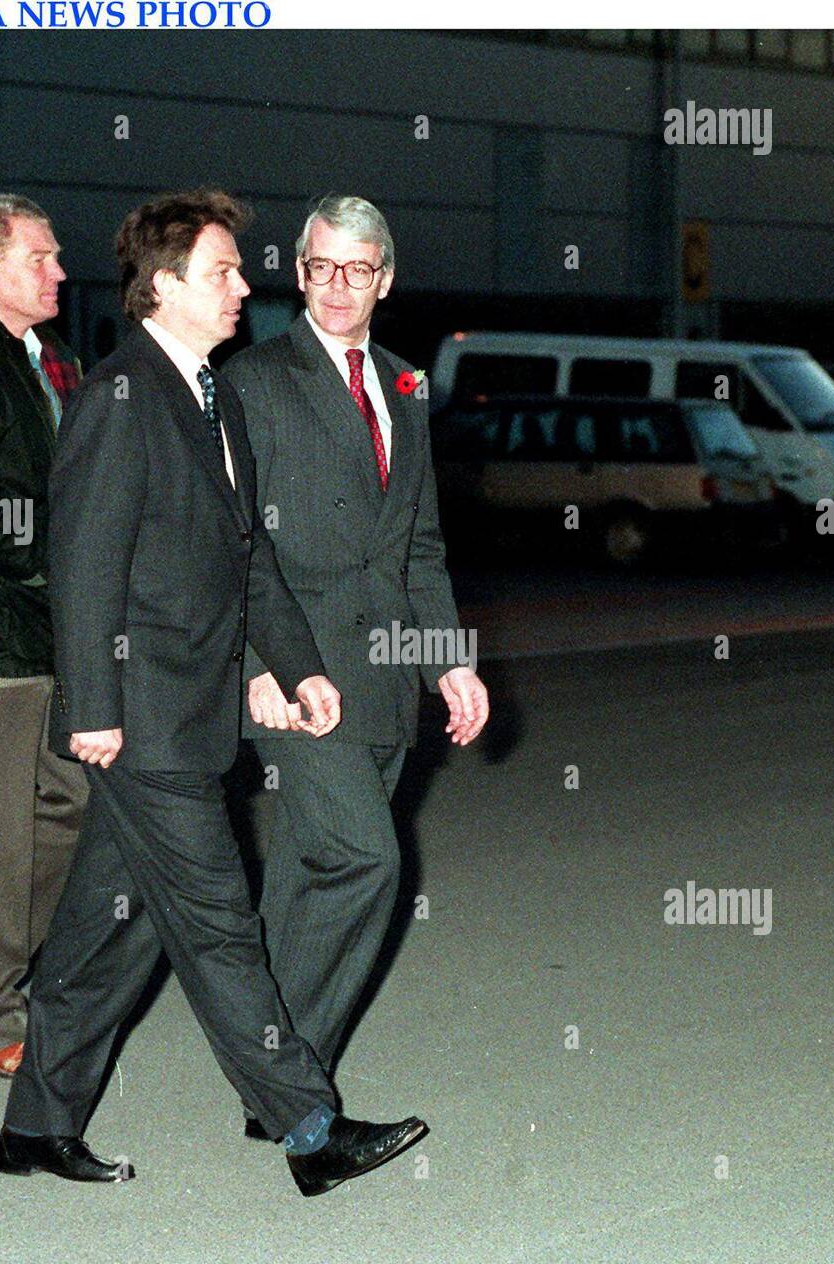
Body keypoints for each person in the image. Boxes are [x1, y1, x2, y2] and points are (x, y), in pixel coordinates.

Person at [0, 190, 425, 1197]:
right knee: (224, 924)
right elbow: (86, 561)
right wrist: (92, 705)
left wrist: (301, 664)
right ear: (165, 286)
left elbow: (251, 554)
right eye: (225, 272)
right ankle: (310, 1129)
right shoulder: (122, 397)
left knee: (113, 923)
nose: (245, 287)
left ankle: (37, 1123)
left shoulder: (208, 392)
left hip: (187, 713)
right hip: (143, 720)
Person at [223, 195, 489, 1130]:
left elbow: (417, 546)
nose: (338, 287)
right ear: (299, 273)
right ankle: (286, 1084)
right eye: (321, 267)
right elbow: (232, 540)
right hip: (294, 673)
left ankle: (276, 1086)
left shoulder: (408, 385)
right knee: (368, 862)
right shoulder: (251, 381)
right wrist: (259, 662)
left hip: (383, 678)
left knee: (305, 872)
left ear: (384, 277)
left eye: (358, 269)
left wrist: (448, 662)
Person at [0, 195, 88, 1079]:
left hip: (50, 631)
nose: (60, 273)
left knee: (71, 806)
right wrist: (62, 559)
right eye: (40, 258)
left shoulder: (50, 358)